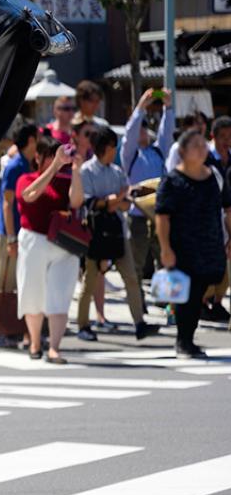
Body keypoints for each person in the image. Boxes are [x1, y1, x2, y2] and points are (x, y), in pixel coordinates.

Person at [155, 128, 231, 358]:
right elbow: (162, 216)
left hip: (208, 246)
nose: (201, 149)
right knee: (185, 296)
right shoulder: (172, 180)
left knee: (199, 293)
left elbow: (227, 209)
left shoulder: (214, 177)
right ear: (183, 151)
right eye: (195, 146)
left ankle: (187, 338)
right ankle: (184, 340)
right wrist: (165, 248)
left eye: (202, 145)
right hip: (182, 246)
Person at [75, 126, 155, 341]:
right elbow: (93, 203)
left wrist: (121, 198)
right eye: (112, 146)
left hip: (118, 231)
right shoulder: (86, 171)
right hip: (95, 233)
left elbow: (124, 205)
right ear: (104, 147)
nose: (115, 150)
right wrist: (117, 198)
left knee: (130, 277)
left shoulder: (117, 172)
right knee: (89, 281)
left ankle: (139, 323)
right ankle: (83, 324)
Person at [16, 136, 84, 364]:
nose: (58, 159)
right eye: (51, 155)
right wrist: (54, 166)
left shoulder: (65, 181)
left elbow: (76, 202)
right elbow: (29, 196)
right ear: (38, 157)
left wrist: (75, 170)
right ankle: (35, 342)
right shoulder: (26, 178)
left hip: (62, 244)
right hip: (34, 240)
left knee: (60, 295)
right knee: (32, 293)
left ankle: (54, 347)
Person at [0, 122, 39, 348]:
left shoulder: (27, 164)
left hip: (19, 233)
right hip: (9, 234)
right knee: (4, 285)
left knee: (16, 285)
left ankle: (10, 331)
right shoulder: (15, 166)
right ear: (30, 141)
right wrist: (11, 237)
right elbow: (7, 204)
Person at [120, 88, 174, 284]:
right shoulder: (130, 155)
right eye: (140, 128)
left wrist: (168, 107)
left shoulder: (158, 152)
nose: (142, 131)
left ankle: (164, 301)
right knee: (136, 263)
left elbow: (166, 133)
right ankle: (138, 301)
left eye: (145, 128)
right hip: (137, 215)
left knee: (164, 261)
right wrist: (141, 106)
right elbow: (129, 133)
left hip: (160, 215)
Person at [200, 116, 231, 322]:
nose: (227, 141)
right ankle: (203, 303)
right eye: (223, 137)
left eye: (230, 137)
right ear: (213, 136)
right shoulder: (205, 158)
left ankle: (217, 302)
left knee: (225, 269)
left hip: (228, 215)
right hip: (208, 218)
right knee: (208, 265)